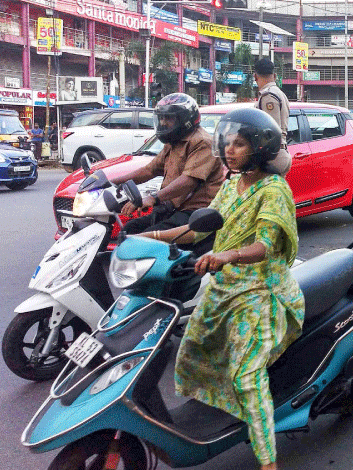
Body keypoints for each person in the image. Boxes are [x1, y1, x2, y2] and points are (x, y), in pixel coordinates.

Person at [143, 108, 304, 470]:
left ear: (260, 147)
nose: (230, 150)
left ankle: (268, 461)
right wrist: (150, 236)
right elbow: (199, 229)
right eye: (228, 143)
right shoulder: (231, 185)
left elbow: (265, 246)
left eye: (240, 144)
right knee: (193, 348)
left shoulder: (274, 190)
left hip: (261, 291)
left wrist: (228, 255)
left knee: (247, 377)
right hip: (225, 287)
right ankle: (222, 417)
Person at [109, 93, 223, 254]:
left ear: (185, 119)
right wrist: (110, 181)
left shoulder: (202, 142)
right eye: (161, 118)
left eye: (168, 118)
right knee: (130, 229)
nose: (163, 123)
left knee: (142, 243)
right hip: (172, 209)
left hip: (194, 213)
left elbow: (188, 181)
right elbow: (149, 170)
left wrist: (153, 198)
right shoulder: (173, 142)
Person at [254, 58, 292, 176]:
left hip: (273, 155)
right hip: (280, 151)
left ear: (255, 77)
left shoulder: (268, 95)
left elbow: (271, 131)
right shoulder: (279, 93)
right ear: (274, 76)